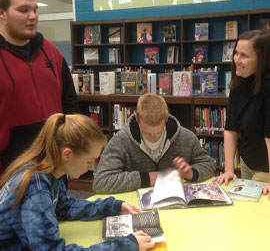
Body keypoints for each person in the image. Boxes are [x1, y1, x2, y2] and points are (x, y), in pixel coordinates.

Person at [0, 113, 154, 251]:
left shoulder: (51, 169)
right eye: (89, 161)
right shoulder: (36, 188)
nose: (92, 167)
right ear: (67, 154)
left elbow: (64, 207)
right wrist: (125, 245)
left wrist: (113, 206)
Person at [0, 0, 79, 173]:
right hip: (10, 172)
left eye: (35, 10)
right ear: (2, 12)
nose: (32, 16)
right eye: (23, 10)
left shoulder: (51, 52)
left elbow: (70, 103)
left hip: (54, 167)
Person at [93, 93, 216, 194]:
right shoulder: (120, 140)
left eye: (158, 132)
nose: (152, 138)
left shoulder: (186, 137)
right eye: (147, 133)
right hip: (135, 207)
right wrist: (147, 178)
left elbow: (209, 165)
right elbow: (100, 182)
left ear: (166, 119)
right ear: (137, 118)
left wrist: (191, 173)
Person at [213, 29, 270, 196]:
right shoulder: (238, 83)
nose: (236, 59)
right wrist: (229, 169)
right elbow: (231, 129)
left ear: (262, 59)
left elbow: (269, 137)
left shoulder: (268, 87)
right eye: (236, 53)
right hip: (247, 163)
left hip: (266, 170)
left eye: (244, 56)